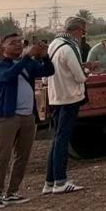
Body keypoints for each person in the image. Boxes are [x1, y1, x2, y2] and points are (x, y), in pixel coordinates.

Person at [0, 32, 54, 207]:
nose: (18, 45)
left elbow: (48, 71)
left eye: (19, 42)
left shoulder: (27, 63)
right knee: (2, 155)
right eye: (12, 43)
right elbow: (8, 76)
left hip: (28, 115)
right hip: (7, 116)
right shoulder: (1, 65)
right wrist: (27, 57)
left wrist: (44, 57)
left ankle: (12, 192)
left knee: (22, 155)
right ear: (3, 47)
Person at [43, 17, 88, 194]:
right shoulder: (70, 47)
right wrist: (87, 71)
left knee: (57, 138)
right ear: (76, 30)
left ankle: (50, 181)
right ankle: (60, 181)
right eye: (83, 31)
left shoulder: (54, 44)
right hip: (69, 97)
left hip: (56, 96)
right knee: (63, 139)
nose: (83, 34)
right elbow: (80, 76)